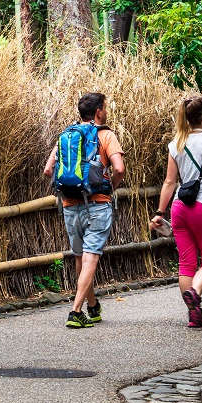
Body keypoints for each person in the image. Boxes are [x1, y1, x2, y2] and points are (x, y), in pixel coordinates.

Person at [43, 92, 125, 329]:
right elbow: (119, 168)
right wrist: (109, 188)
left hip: (69, 205)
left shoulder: (67, 136)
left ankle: (92, 306)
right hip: (97, 204)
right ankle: (75, 311)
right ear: (99, 112)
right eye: (105, 108)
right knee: (91, 257)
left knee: (81, 257)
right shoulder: (105, 135)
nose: (106, 112)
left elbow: (49, 170)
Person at [150, 96, 202, 328]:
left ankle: (194, 314)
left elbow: (169, 182)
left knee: (186, 262)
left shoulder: (176, 143)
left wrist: (159, 212)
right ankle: (195, 293)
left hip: (179, 207)